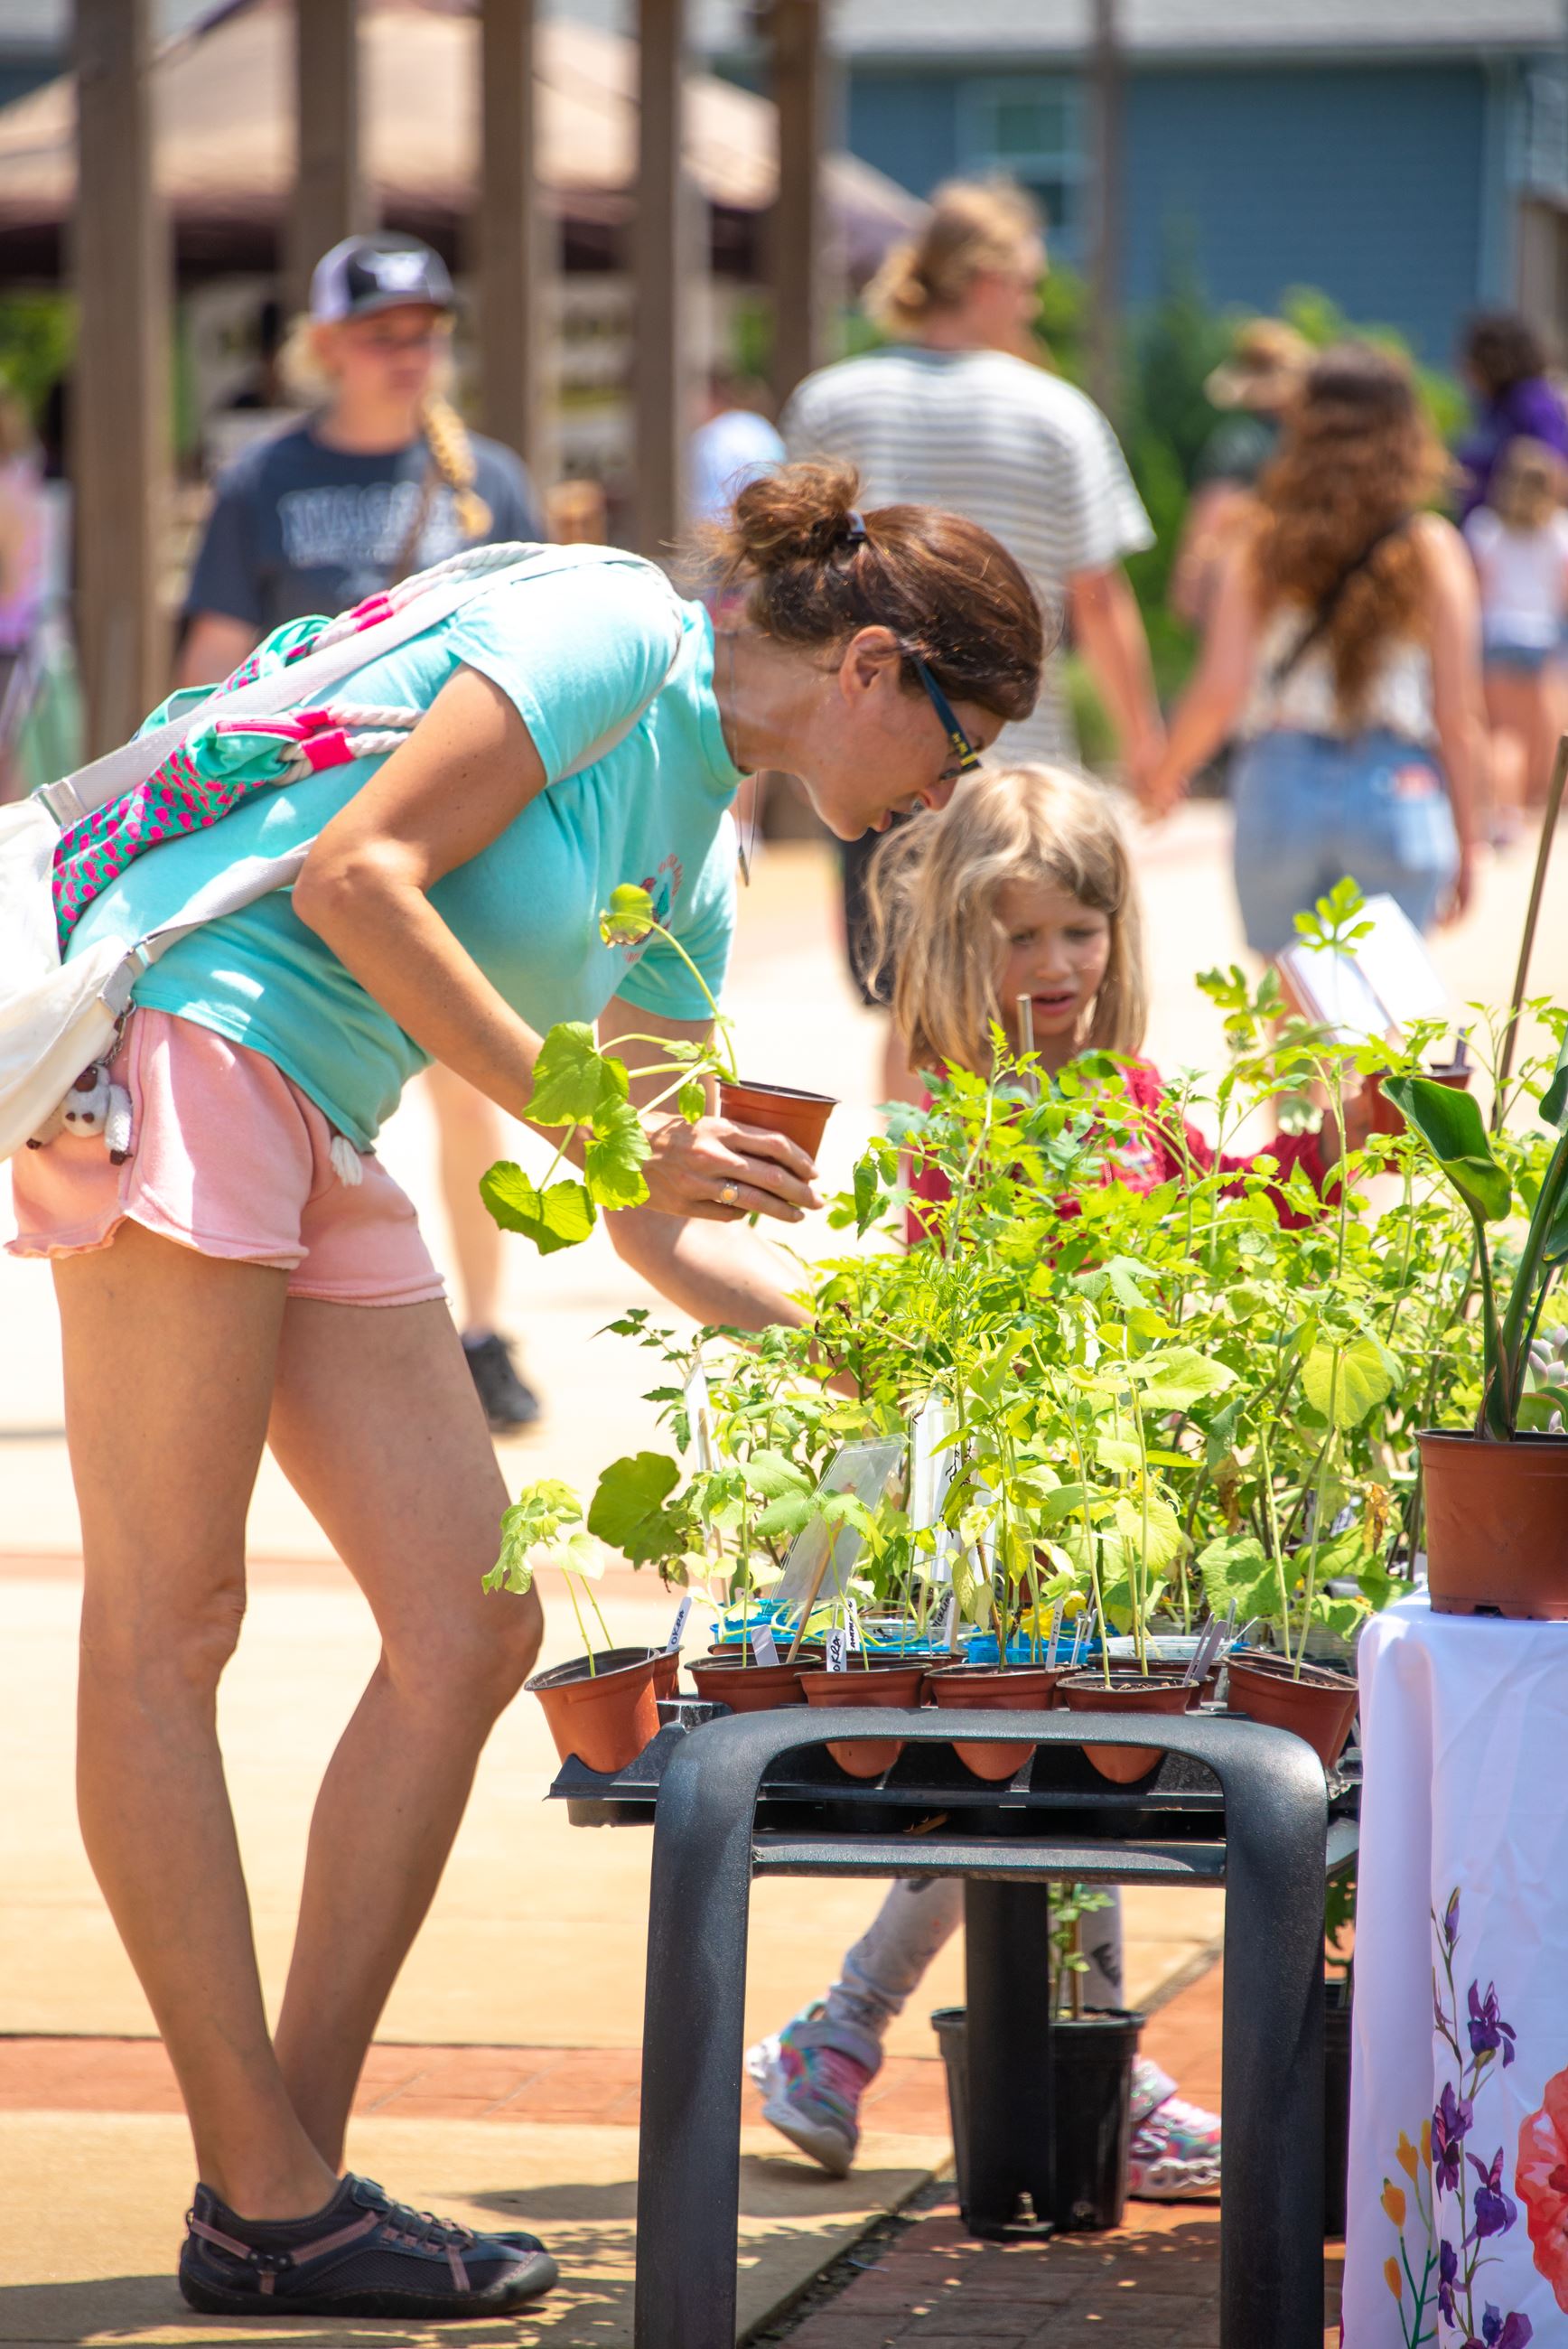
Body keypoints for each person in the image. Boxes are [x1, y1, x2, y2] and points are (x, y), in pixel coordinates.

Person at [9, 460, 1044, 2317]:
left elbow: (655, 1230)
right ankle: (271, 2184)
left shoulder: (701, 873)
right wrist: (599, 1125)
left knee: (467, 1619)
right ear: (879, 665)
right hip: (187, 1025)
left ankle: (277, 2191)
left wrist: (879, 1347)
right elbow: (354, 874)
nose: (948, 794)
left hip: (321, 1105)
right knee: (172, 1625)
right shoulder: (616, 631)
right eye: (960, 743)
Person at [748, 763, 1358, 2196]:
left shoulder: (1123, 1091)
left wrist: (1337, 1147)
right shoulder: (959, 1103)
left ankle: (877, 2035)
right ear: (962, 948)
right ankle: (949, 2044)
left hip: (1100, 1510)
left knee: (1060, 1788)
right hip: (1010, 1516)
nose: (1057, 966)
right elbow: (964, 1283)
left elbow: (1220, 1213)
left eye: (1080, 931)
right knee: (1046, 1781)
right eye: (1022, 938)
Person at [178, 231, 549, 1432]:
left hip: (455, 830)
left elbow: (553, 660)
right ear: (324, 347)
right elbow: (214, 667)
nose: (409, 354)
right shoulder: (265, 483)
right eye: (384, 334)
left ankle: (484, 1331)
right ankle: (289, 1324)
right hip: (297, 833)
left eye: (427, 332)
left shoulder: (486, 478)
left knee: (467, 1079)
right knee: (295, 1084)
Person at [780, 178, 1162, 1100]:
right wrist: (1145, 746)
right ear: (983, 279)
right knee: (1047, 1009)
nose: (1033, 304)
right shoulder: (1056, 413)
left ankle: (923, 1213)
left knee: (911, 1003)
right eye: (1028, 283)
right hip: (1018, 768)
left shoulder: (830, 401)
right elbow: (1099, 599)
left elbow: (792, 591)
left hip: (871, 755)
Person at [1147, 344, 1484, 953]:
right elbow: (1458, 717)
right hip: (1396, 786)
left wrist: (1168, 775)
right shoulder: (1432, 547)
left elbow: (1221, 688)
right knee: (1376, 1023)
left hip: (1280, 783)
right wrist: (1471, 838)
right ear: (1407, 431)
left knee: (1294, 1024)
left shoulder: (1258, 539)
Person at [1169, 318, 1310, 634]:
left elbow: (1212, 516)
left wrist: (1189, 584)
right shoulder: (1310, 443)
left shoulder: (1239, 442)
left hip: (1245, 581)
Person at [1462, 435, 1568, 835]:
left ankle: (1503, 811)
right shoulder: (1559, 531)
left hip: (1498, 636)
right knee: (1545, 731)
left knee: (1502, 735)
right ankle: (1534, 807)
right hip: (1542, 637)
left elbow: (1479, 589)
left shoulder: (1484, 527)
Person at [1457, 311, 1568, 521]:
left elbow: (1553, 474)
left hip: (1521, 538)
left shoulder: (1533, 403)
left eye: (1473, 357)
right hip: (1484, 533)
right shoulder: (1491, 405)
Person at [689, 368, 785, 527]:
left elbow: (711, 511)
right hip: (772, 526)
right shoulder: (760, 426)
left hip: (734, 535)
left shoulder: (710, 436)